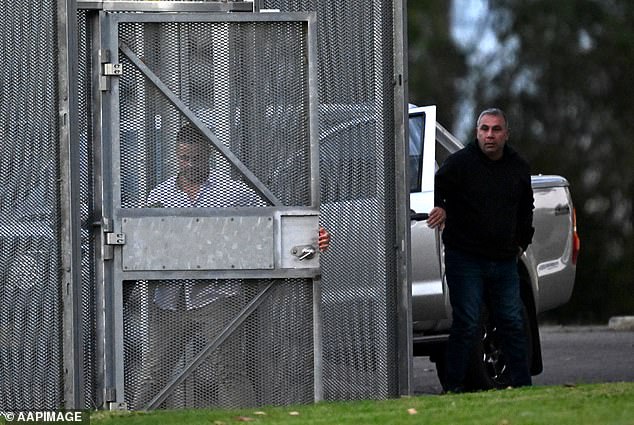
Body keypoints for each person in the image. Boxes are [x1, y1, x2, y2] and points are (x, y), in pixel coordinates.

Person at [136, 123, 330, 408]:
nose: (190, 165)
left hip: (216, 297)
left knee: (229, 371)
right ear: (176, 156)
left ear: (209, 156)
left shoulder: (232, 193)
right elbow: (143, 243)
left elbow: (273, 223)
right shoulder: (159, 196)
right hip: (169, 300)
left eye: (197, 158)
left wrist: (310, 237)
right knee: (154, 374)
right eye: (184, 158)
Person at [427, 108, 534, 393]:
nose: (490, 135)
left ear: (506, 134)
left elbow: (526, 209)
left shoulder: (518, 167)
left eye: (496, 129)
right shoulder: (459, 164)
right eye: (484, 129)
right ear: (476, 132)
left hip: (503, 259)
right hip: (465, 258)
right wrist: (441, 208)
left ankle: (523, 383)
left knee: (511, 320)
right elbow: (436, 189)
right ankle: (453, 386)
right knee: (467, 321)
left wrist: (522, 242)